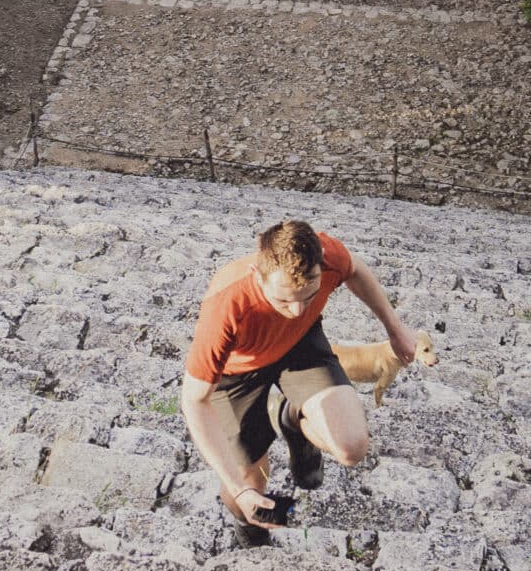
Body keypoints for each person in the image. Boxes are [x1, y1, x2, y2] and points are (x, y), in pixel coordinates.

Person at [180, 217, 423, 527]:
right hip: (237, 374)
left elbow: (356, 269)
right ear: (257, 275)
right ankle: (250, 530)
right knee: (248, 482)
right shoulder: (226, 305)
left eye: (308, 296)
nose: (296, 310)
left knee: (351, 448)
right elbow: (194, 400)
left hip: (299, 344)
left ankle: (290, 417)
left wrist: (395, 329)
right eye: (283, 299)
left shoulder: (326, 255)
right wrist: (241, 492)